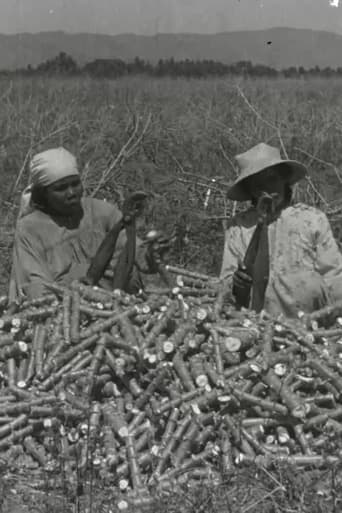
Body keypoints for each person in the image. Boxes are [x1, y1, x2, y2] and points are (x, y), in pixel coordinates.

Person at [8, 147, 161, 302]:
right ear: (44, 194)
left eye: (75, 184)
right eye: (60, 188)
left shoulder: (101, 211)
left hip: (120, 301)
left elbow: (134, 252)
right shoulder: (30, 228)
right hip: (65, 308)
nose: (71, 193)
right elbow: (37, 285)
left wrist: (152, 253)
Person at [220, 142, 342, 318]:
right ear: (250, 190)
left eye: (272, 179)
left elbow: (335, 277)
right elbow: (225, 284)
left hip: (311, 326)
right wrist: (236, 284)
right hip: (253, 326)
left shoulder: (312, 219)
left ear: (284, 180)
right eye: (258, 183)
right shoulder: (238, 227)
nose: (266, 188)